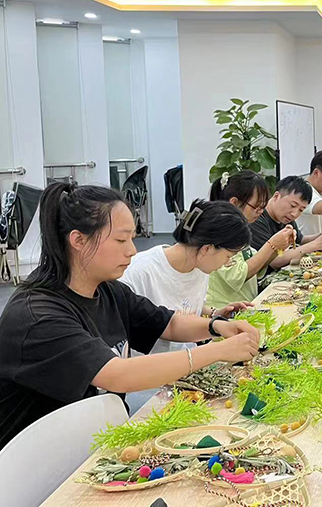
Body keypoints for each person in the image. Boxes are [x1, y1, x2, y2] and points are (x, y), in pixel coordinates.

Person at [0, 183, 259, 449]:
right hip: (39, 460)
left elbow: (167, 323)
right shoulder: (37, 316)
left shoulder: (107, 289)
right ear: (78, 240)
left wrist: (216, 326)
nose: (132, 250)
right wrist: (217, 351)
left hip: (95, 439)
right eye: (121, 240)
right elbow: (117, 375)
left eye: (132, 239)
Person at [121, 198, 253, 353]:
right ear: (207, 249)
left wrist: (215, 314)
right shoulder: (138, 273)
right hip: (153, 365)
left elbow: (185, 305)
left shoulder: (200, 266)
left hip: (190, 359)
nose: (226, 263)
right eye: (228, 256)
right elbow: (165, 323)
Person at [207, 171, 295, 307]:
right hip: (223, 309)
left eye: (263, 207)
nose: (260, 212)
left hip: (243, 304)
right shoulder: (220, 230)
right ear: (234, 203)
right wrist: (271, 244)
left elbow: (255, 267)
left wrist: (279, 247)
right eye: (256, 207)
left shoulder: (240, 228)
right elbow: (237, 276)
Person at [250, 175, 322, 270]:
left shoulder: (286, 217)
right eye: (292, 205)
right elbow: (274, 261)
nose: (294, 214)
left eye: (301, 210)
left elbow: (301, 240)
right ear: (276, 196)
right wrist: (316, 244)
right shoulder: (256, 218)